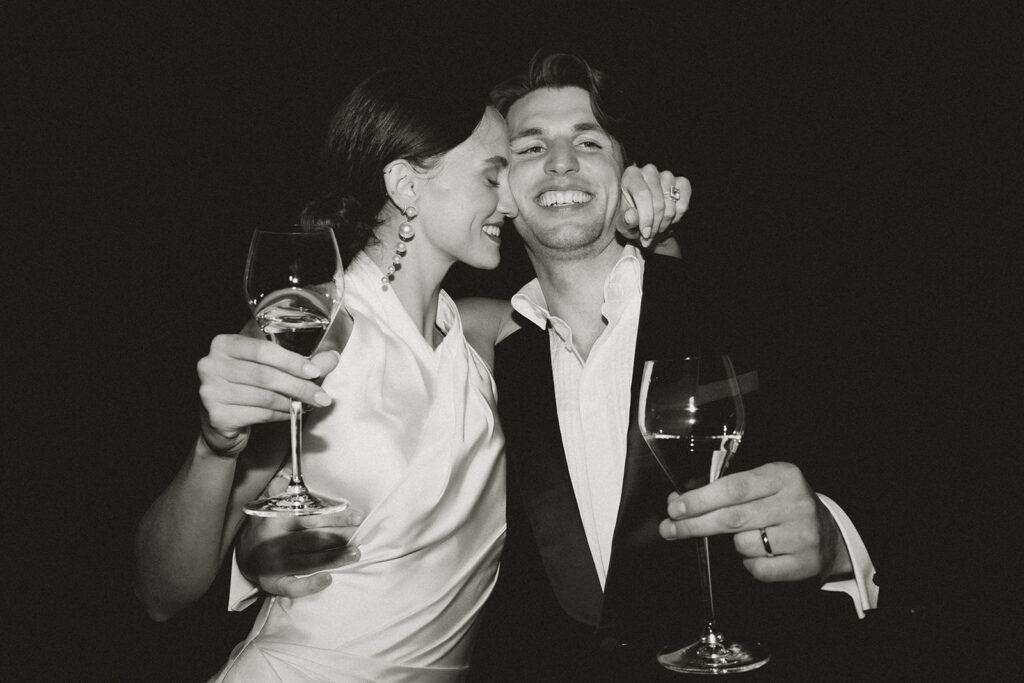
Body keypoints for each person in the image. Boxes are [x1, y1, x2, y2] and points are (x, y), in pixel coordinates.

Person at [134, 63, 687, 681]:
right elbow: (164, 594)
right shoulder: (310, 326)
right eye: (493, 173)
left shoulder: (480, 331)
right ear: (407, 185)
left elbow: (615, 316)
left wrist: (644, 220)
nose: (510, 197)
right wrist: (215, 448)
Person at [458, 53, 880, 680]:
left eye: (589, 141)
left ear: (628, 173)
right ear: (503, 190)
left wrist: (831, 539)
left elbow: (900, 459)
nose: (562, 161)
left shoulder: (745, 301)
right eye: (529, 147)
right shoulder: (488, 358)